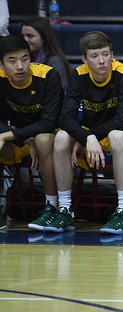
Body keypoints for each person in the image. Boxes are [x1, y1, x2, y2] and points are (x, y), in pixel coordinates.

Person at [43, 31, 123, 234]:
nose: (102, 61)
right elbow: (64, 118)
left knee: (117, 136)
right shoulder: (79, 74)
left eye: (105, 54)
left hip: (114, 132)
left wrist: (88, 136)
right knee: (60, 137)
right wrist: (86, 137)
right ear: (85, 59)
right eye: (95, 56)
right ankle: (65, 208)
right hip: (90, 135)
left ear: (112, 54)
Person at [0, 35, 63, 231]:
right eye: (12, 61)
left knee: (43, 140)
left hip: (52, 136)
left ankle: (52, 206)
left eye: (25, 58)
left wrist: (10, 136)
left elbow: (49, 122)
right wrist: (24, 138)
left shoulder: (48, 76)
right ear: (1, 65)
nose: (20, 66)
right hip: (19, 138)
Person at [20, 17, 72, 92]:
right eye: (23, 36)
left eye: (30, 36)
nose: (25, 40)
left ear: (44, 38)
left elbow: (59, 93)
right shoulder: (22, 59)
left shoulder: (55, 61)